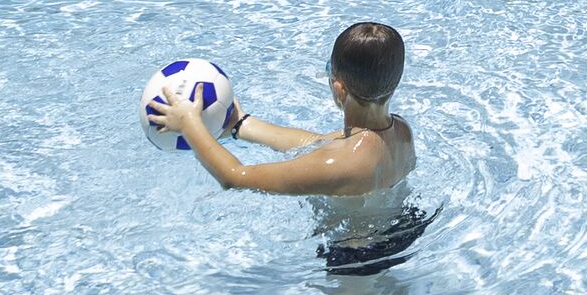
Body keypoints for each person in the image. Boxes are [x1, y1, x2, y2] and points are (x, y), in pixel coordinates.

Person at [153, 21, 429, 273]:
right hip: (402, 228)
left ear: (339, 89)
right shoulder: (400, 131)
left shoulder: (343, 163)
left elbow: (235, 177)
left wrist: (190, 124)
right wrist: (242, 125)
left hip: (358, 258)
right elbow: (317, 144)